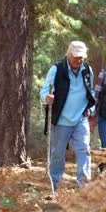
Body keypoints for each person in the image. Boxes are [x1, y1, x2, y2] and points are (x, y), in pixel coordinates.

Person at [40, 40, 96, 190]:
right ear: (68, 54)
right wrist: (47, 97)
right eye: (76, 56)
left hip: (81, 118)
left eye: (81, 57)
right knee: (58, 154)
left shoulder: (87, 70)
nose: (79, 60)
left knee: (84, 150)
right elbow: (44, 91)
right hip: (62, 119)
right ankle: (54, 184)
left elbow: (91, 92)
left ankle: (84, 186)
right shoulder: (56, 69)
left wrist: (92, 108)